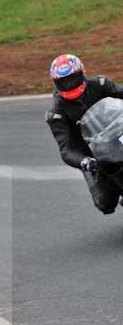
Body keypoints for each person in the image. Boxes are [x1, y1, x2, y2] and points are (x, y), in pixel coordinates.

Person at [46, 54, 123, 214]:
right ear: (55, 83)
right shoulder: (56, 113)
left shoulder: (101, 84)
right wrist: (85, 162)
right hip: (93, 156)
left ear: (83, 73)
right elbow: (66, 150)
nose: (69, 84)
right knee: (104, 202)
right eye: (64, 82)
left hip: (119, 137)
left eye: (73, 78)